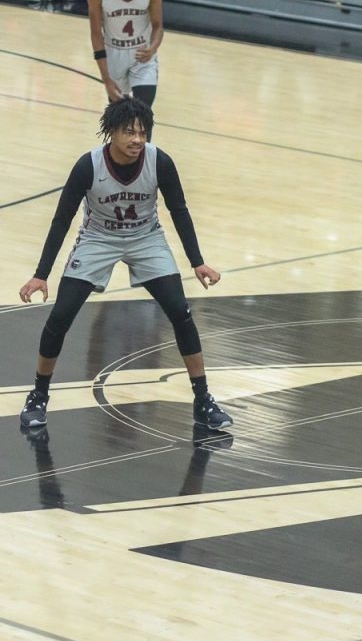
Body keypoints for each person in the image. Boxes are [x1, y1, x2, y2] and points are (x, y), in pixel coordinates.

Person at [17, 96, 233, 436]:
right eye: (129, 132)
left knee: (180, 312)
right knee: (60, 317)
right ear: (111, 133)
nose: (137, 139)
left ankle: (203, 399)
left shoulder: (159, 161)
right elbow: (62, 219)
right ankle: (38, 396)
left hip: (146, 238)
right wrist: (41, 273)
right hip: (97, 239)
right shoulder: (88, 166)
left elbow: (179, 210)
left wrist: (197, 262)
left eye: (143, 133)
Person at [88, 0, 163, 107]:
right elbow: (95, 34)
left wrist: (153, 48)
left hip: (142, 55)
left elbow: (158, 25)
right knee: (119, 121)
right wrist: (106, 79)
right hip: (113, 55)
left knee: (142, 114)